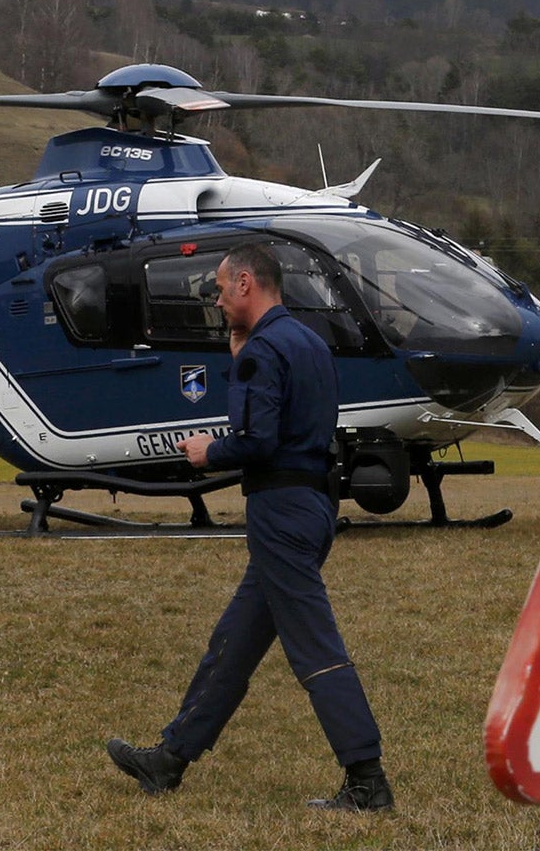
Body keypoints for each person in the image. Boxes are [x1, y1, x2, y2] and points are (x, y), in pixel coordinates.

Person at [106, 241, 393, 813]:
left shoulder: (264, 349)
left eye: (218, 287)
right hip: (312, 506)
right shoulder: (310, 342)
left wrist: (208, 451)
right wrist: (241, 360)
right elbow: (294, 421)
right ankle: (168, 761)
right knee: (234, 643)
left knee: (315, 650)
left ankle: (367, 782)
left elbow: (257, 439)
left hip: (281, 512)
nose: (215, 299)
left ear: (245, 284)